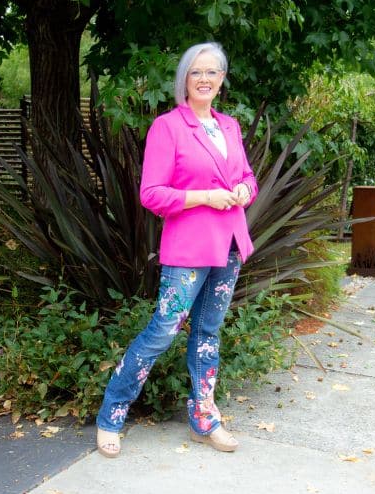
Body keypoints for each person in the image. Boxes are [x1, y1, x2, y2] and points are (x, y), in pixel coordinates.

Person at [95, 42, 259, 458]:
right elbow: (151, 193)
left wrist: (242, 189)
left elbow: (247, 178)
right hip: (188, 249)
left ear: (222, 79)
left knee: (207, 334)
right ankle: (111, 414)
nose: (205, 79)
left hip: (230, 246)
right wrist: (203, 197)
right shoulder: (168, 127)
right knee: (163, 332)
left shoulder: (230, 127)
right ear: (184, 79)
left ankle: (205, 419)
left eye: (213, 72)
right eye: (196, 72)